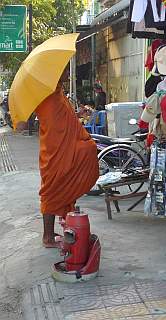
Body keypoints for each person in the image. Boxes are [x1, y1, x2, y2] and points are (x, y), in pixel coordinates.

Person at [35, 66, 99, 248]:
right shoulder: (48, 96)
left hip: (62, 149)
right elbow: (56, 125)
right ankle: (47, 237)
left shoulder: (58, 93)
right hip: (55, 151)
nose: (67, 74)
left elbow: (65, 118)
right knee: (52, 191)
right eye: (63, 71)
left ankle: (65, 229)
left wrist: (77, 114)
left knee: (66, 186)